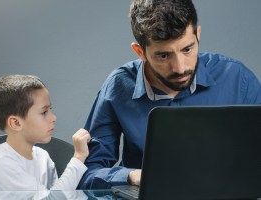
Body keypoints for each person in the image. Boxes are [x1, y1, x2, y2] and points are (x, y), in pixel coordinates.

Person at [78, 0, 261, 189]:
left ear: (197, 36)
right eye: (163, 56)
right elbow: (87, 173)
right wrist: (131, 176)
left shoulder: (238, 79)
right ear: (140, 51)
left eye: (187, 49)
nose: (180, 68)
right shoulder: (118, 87)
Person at [0, 74, 91, 191]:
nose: (53, 118)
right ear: (16, 123)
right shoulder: (1, 164)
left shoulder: (42, 157)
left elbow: (56, 194)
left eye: (50, 110)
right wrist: (79, 157)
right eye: (43, 112)